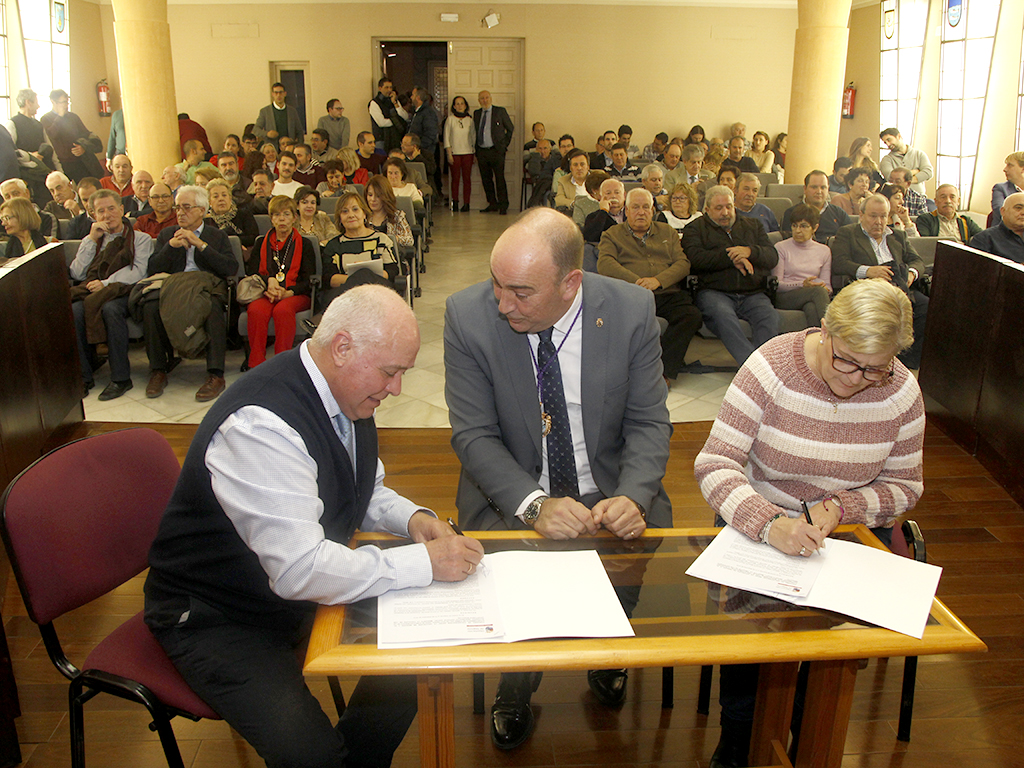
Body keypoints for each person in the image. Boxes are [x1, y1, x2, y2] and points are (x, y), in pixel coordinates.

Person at [144, 284, 484, 768]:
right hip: (217, 614)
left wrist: (414, 519)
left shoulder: (346, 392)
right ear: (343, 347)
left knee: (418, 662)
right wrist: (423, 563)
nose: (397, 389)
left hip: (287, 593)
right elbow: (301, 570)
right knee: (310, 755)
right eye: (391, 372)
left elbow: (359, 486)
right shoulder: (260, 423)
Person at [444, 206, 672, 750]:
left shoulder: (631, 309)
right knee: (523, 588)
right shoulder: (468, 315)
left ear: (572, 283)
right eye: (497, 284)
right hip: (513, 494)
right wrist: (534, 504)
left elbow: (648, 422)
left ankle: (606, 650)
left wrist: (633, 496)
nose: (503, 304)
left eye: (521, 292)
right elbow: (474, 435)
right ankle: (518, 678)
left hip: (609, 488)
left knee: (625, 566)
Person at [694, 278, 924, 768]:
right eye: (845, 360)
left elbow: (906, 486)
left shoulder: (901, 390)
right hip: (758, 528)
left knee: (825, 668)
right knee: (749, 667)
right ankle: (736, 747)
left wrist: (844, 508)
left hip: (843, 541)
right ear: (825, 330)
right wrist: (768, 522)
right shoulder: (772, 366)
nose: (855, 378)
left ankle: (804, 746)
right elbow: (715, 464)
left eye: (874, 370)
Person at [597, 187, 704, 381]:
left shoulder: (667, 232)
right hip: (630, 295)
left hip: (666, 292)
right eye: (635, 207)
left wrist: (658, 281)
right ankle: (628, 372)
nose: (641, 212)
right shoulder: (612, 234)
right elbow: (605, 264)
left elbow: (683, 263)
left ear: (653, 211)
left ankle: (663, 373)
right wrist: (635, 282)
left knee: (692, 316)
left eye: (646, 207)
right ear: (626, 211)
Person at [144, 185, 236, 402]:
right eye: (178, 208)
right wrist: (171, 247)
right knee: (150, 305)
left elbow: (230, 268)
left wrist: (200, 245)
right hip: (174, 287)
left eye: (186, 207)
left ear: (202, 210)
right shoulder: (167, 234)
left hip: (207, 287)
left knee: (211, 307)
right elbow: (152, 268)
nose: (180, 213)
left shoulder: (216, 235)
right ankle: (158, 370)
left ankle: (216, 374)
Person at [69, 189, 153, 399]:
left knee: (110, 309)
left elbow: (138, 271)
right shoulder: (93, 240)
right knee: (74, 310)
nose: (107, 215)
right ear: (94, 215)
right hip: (93, 291)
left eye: (111, 209)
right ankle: (84, 376)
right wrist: (90, 240)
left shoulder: (140, 238)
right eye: (100, 211)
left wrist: (105, 283)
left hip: (125, 291)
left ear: (122, 210)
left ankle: (121, 378)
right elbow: (77, 272)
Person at [682, 185, 780, 366]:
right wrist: (732, 257)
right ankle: (754, 369)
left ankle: (763, 368)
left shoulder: (753, 225)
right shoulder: (695, 229)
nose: (725, 212)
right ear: (707, 209)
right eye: (718, 208)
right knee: (723, 317)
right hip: (714, 292)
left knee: (769, 317)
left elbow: (772, 257)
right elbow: (695, 260)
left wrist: (749, 251)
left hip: (753, 292)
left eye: (728, 206)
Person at [831, 194, 928, 368]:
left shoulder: (898, 236)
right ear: (862, 215)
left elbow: (918, 261)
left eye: (883, 216)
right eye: (873, 216)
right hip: (868, 289)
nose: (879, 221)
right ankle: (876, 361)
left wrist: (911, 274)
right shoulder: (848, 233)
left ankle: (907, 363)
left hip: (899, 287)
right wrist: (869, 271)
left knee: (926, 306)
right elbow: (839, 263)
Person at [244, 195, 316, 370]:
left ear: (294, 217)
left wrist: (289, 292)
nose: (281, 219)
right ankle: (256, 365)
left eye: (286, 214)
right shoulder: (261, 242)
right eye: (276, 215)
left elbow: (310, 279)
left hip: (296, 293)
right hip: (266, 292)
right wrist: (268, 281)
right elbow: (251, 272)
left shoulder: (305, 244)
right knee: (256, 310)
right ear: (271, 219)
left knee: (283, 310)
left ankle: (282, 364)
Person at [320, 192, 398, 312]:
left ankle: (320, 321)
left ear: (364, 214)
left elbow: (392, 272)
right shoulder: (334, 245)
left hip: (377, 293)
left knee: (364, 273)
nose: (351, 215)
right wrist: (358, 278)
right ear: (340, 218)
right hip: (345, 296)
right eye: (345, 211)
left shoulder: (381, 239)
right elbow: (330, 279)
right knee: (362, 274)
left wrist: (364, 276)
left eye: (355, 209)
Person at [772, 203, 832, 327]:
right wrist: (803, 285)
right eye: (795, 226)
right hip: (785, 296)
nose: (798, 230)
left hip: (812, 295)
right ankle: (833, 333)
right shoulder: (781, 247)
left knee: (811, 307)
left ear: (815, 228)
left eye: (804, 226)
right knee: (818, 292)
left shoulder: (824, 251)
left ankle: (816, 341)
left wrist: (825, 288)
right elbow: (777, 285)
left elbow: (828, 286)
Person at [5, 88, 56, 205]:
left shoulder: (38, 125)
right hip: (26, 176)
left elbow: (50, 148)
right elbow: (9, 151)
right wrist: (30, 156)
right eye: (36, 102)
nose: (38, 106)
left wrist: (58, 170)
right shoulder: (12, 123)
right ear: (28, 102)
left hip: (42, 174)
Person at [40, 89, 104, 182]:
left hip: (81, 161)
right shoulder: (46, 119)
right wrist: (60, 117)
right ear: (53, 102)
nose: (66, 105)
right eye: (63, 102)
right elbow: (52, 135)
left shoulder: (73, 117)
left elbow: (86, 134)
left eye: (67, 102)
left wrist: (83, 147)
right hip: (63, 164)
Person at [780, 170, 851, 243]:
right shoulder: (791, 213)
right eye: (814, 187)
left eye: (823, 187)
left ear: (828, 189)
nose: (819, 191)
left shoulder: (839, 213)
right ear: (805, 189)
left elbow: (849, 239)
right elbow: (788, 241)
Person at [474, 90, 514, 214]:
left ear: (490, 98)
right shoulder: (476, 113)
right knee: (486, 180)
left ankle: (503, 205)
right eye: (482, 98)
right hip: (482, 151)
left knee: (499, 179)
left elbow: (510, 128)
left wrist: (503, 145)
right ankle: (492, 203)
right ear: (479, 101)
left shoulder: (500, 111)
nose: (484, 100)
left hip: (496, 151)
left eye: (486, 98)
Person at [969, 191, 1024, 264]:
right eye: (1018, 208)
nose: (1023, 212)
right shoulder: (983, 240)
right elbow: (977, 271)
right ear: (1003, 211)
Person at [915, 184, 981, 243]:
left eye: (952, 197)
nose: (948, 201)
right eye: (943, 197)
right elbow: (925, 244)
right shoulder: (925, 219)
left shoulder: (965, 221)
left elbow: (983, 238)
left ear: (958, 201)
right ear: (936, 202)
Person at [879, 128, 933, 196]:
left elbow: (928, 172)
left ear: (899, 136)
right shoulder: (886, 160)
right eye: (885, 142)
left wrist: (904, 181)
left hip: (920, 196)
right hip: (898, 197)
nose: (888, 144)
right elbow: (891, 178)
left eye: (889, 140)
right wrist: (916, 171)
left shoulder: (919, 154)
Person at [365, 174, 414, 250]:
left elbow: (409, 240)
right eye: (370, 195)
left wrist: (391, 239)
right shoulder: (363, 217)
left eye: (378, 196)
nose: (373, 199)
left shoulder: (397, 216)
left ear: (386, 196)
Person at [444, 95, 475, 212]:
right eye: (457, 104)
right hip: (455, 153)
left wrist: (474, 153)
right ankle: (455, 202)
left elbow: (473, 137)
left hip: (468, 153)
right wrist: (449, 153)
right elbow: (447, 137)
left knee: (467, 179)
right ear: (454, 106)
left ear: (465, 105)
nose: (460, 106)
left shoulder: (470, 120)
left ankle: (467, 203)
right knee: (455, 179)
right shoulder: (450, 119)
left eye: (462, 103)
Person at [207, 178, 258, 247]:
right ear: (209, 201)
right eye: (216, 196)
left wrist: (235, 242)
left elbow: (253, 238)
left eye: (224, 195)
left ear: (230, 198)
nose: (221, 199)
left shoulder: (244, 214)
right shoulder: (207, 222)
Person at [254, 82, 304, 151]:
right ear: (272, 94)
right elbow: (256, 130)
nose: (278, 95)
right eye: (276, 93)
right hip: (272, 150)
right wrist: (267, 134)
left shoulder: (292, 111)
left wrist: (298, 147)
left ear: (285, 94)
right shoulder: (265, 111)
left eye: (281, 92)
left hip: (289, 149)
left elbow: (299, 131)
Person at [1, 197, 49, 265]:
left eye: (7, 218)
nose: (3, 223)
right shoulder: (7, 248)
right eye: (2, 219)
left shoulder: (49, 243)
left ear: (22, 216)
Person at [368, 78, 409, 154]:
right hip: (382, 139)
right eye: (386, 87)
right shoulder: (374, 103)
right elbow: (381, 123)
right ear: (380, 88)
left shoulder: (394, 101)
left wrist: (395, 103)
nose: (389, 90)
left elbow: (405, 117)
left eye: (390, 87)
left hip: (395, 138)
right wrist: (397, 121)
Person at [581, 178, 626, 243]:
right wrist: (603, 211)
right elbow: (590, 237)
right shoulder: (593, 217)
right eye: (608, 193)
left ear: (624, 195)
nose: (613, 196)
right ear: (600, 197)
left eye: (617, 192)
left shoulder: (632, 213)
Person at [525, 138, 560, 207]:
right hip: (539, 183)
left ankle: (534, 204)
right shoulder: (533, 159)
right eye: (540, 149)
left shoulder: (556, 159)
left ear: (550, 149)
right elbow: (534, 172)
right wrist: (536, 157)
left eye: (545, 148)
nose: (542, 151)